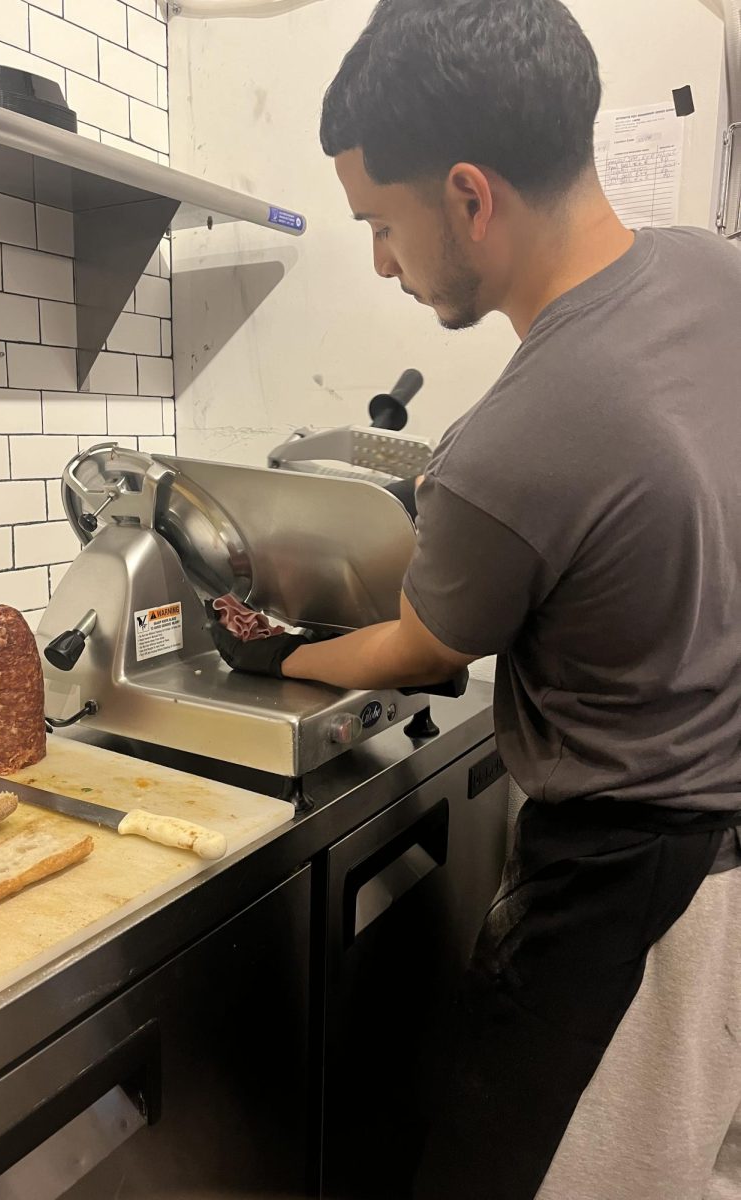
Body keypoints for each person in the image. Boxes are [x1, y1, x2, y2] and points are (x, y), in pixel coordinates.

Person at [208, 1, 741, 1197]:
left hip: (627, 899)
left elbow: (417, 646)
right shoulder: (717, 271)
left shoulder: (516, 434)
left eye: (381, 226)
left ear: (468, 195)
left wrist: (276, 659)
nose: (385, 263)